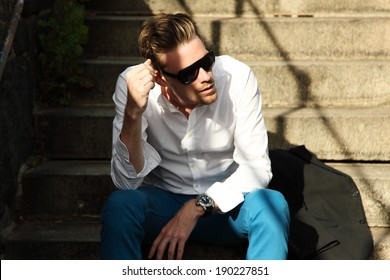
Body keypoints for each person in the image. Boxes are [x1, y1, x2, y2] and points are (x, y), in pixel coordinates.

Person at [100, 13, 290, 260]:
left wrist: (200, 205)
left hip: (227, 206)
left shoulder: (238, 77)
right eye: (189, 73)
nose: (205, 76)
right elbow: (126, 183)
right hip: (163, 206)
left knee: (271, 204)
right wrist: (134, 112)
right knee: (119, 206)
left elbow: (257, 168)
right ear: (160, 77)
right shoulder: (133, 86)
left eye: (207, 61)